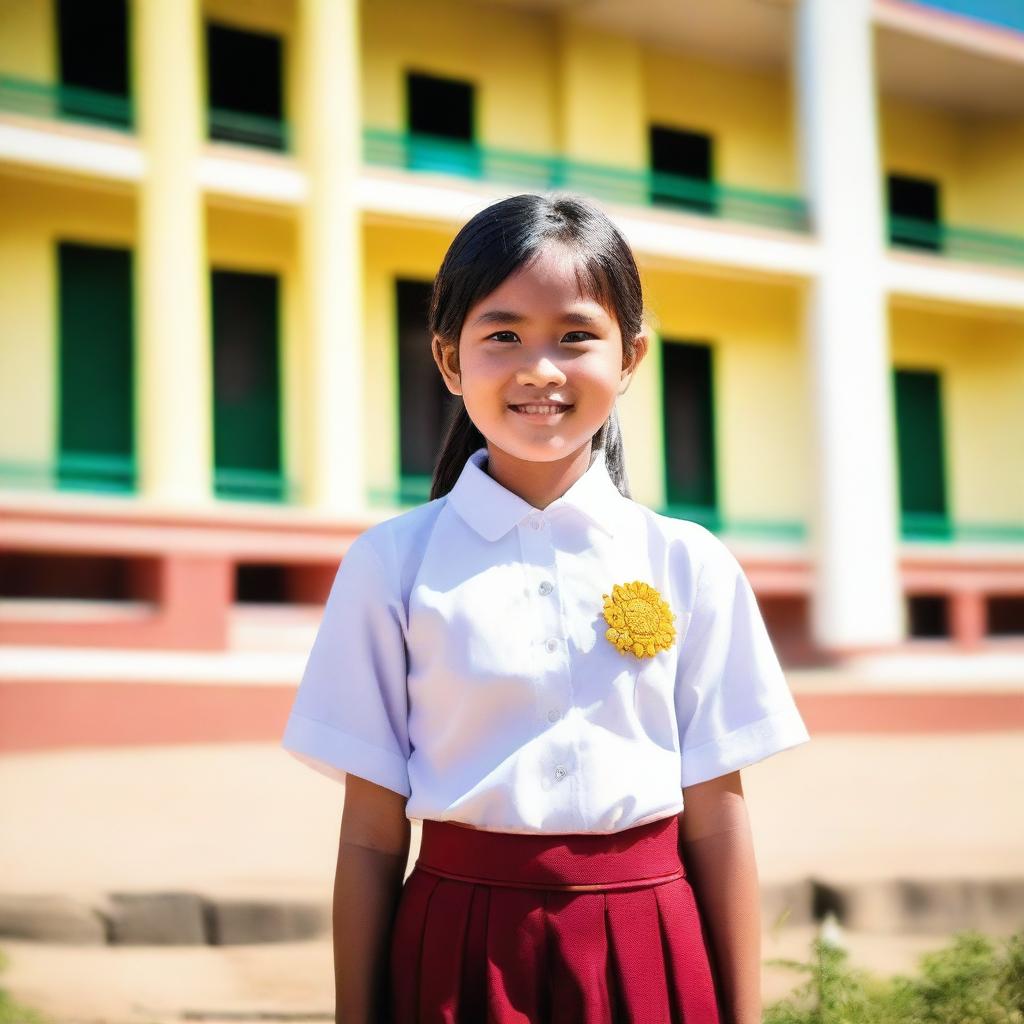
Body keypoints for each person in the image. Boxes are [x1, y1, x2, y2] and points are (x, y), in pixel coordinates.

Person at [281, 192, 812, 1024]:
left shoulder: (688, 562)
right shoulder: (392, 565)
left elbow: (716, 820)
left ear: (631, 356)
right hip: (457, 949)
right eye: (502, 336)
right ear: (450, 362)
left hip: (649, 939)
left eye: (575, 335)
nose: (540, 368)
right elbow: (370, 835)